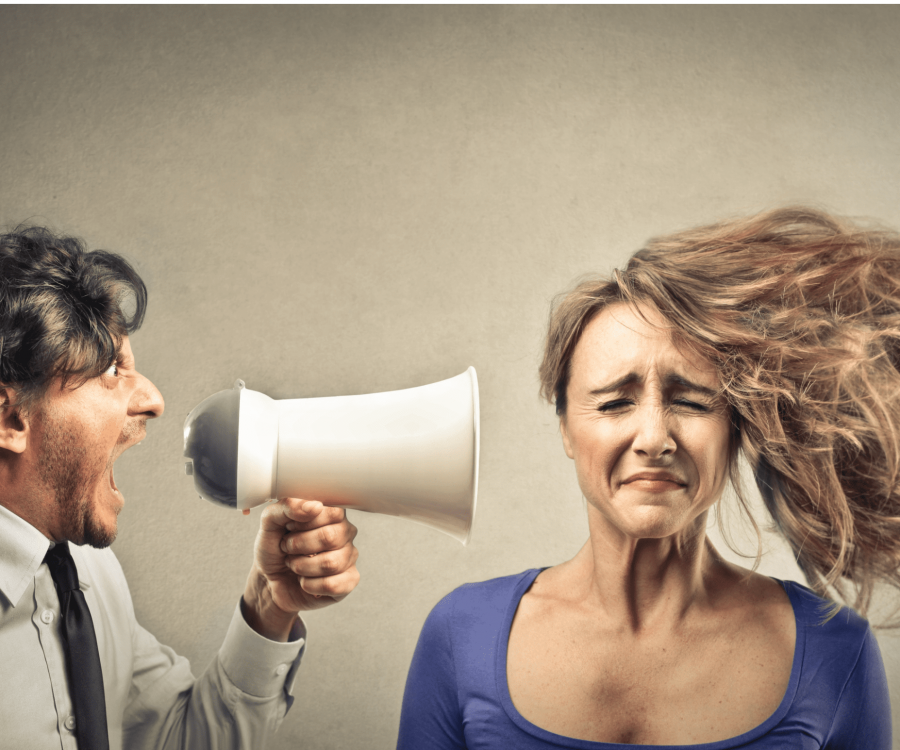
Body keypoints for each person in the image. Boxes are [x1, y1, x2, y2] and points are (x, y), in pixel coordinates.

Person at [398, 207, 896, 749]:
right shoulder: (461, 633)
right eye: (614, 403)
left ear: (735, 428)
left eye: (691, 401)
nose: (654, 437)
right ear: (566, 428)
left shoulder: (835, 649)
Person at [0, 226, 361, 749]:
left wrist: (269, 601)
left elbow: (178, 739)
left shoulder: (89, 575)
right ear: (11, 418)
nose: (153, 399)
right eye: (110, 368)